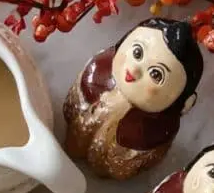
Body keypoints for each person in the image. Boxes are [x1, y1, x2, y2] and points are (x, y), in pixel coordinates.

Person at [63, 18, 204, 179]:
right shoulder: (96, 75)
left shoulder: (155, 131)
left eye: (156, 74)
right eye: (137, 53)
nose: (135, 69)